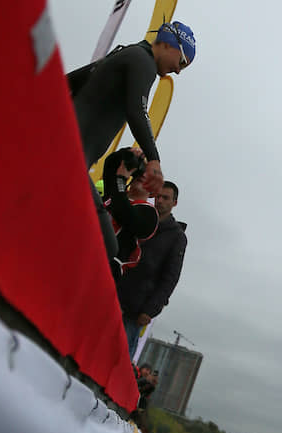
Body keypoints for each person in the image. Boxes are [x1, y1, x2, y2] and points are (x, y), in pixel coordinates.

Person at [67, 21, 196, 258]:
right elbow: (137, 111)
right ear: (170, 45)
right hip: (69, 160)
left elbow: (67, 82)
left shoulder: (126, 55)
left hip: (66, 154)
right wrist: (154, 160)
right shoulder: (143, 62)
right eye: (182, 63)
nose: (178, 71)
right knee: (105, 246)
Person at [116, 181, 187, 356]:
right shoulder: (139, 217)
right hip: (113, 292)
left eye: (165, 198)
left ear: (174, 203)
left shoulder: (177, 237)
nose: (160, 201)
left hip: (136, 309)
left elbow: (170, 278)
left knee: (120, 355)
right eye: (157, 196)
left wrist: (150, 310)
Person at [101, 147, 159, 282]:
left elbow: (124, 214)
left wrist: (121, 179)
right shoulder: (115, 193)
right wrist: (127, 154)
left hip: (104, 270)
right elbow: (110, 164)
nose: (144, 175)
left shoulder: (150, 213)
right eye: (143, 172)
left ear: (154, 192)